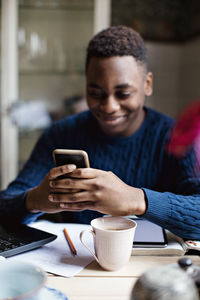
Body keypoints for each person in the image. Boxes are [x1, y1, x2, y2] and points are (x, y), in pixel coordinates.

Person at [0, 26, 199, 239]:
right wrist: (34, 200)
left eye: (123, 93)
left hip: (153, 264)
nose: (109, 106)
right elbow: (5, 206)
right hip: (75, 263)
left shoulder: (177, 138)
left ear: (147, 84)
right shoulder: (60, 134)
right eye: (96, 93)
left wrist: (137, 199)